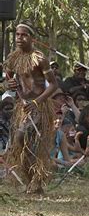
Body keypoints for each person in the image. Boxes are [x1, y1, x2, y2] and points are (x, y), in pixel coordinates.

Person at [3, 20, 58, 194]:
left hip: (39, 106)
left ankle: (38, 179)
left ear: (32, 38)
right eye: (17, 34)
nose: (20, 38)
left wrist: (36, 102)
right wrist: (10, 84)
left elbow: (54, 85)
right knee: (21, 143)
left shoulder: (40, 58)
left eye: (24, 35)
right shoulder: (13, 58)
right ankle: (31, 181)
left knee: (31, 141)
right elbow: (9, 79)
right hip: (22, 106)